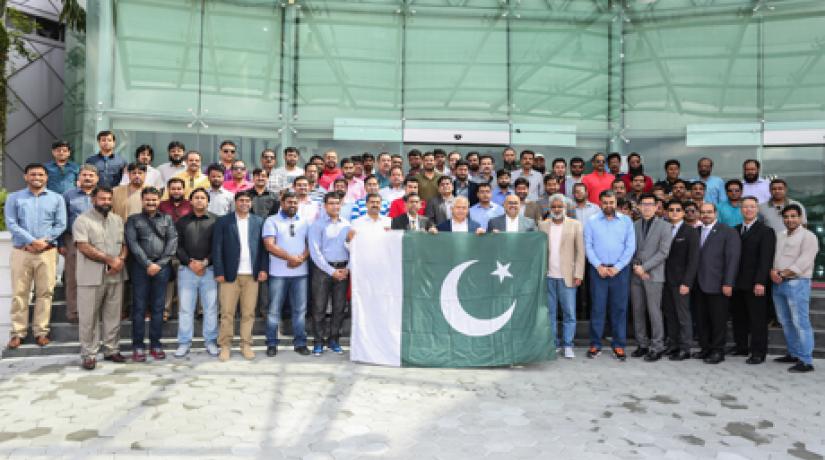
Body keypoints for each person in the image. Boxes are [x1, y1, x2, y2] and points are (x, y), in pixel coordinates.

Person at [4, 163, 67, 349]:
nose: (36, 177)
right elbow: (12, 224)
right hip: (22, 252)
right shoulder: (14, 198)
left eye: (40, 174)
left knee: (45, 293)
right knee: (20, 293)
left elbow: (61, 224)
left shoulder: (57, 199)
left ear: (46, 177)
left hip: (46, 253)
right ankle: (17, 333)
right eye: (32, 174)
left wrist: (44, 242)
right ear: (25, 176)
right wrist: (32, 241)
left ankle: (41, 332)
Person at [72, 185, 128, 369]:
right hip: (91, 276)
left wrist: (119, 260)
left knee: (113, 315)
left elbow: (125, 244)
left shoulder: (117, 220)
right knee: (89, 318)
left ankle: (111, 349)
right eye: (102, 199)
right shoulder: (82, 220)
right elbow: (83, 247)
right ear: (93, 199)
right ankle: (89, 354)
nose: (106, 202)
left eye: (109, 199)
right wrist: (110, 260)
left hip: (115, 275)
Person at [212, 191, 268, 361]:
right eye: (241, 200)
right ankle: (225, 345)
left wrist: (263, 269)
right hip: (230, 274)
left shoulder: (259, 221)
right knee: (227, 312)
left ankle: (246, 344)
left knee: (248, 312)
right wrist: (219, 271)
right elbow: (217, 248)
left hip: (251, 275)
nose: (244, 203)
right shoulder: (223, 221)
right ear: (235, 202)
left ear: (251, 203)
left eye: (247, 200)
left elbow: (264, 248)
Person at [125, 187, 177, 362]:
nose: (151, 203)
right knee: (139, 308)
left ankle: (156, 344)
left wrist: (160, 264)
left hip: (162, 268)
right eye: (148, 200)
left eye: (154, 200)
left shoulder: (167, 219)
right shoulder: (133, 220)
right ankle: (138, 346)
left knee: (158, 308)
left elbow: (172, 242)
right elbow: (132, 244)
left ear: (159, 200)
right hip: (141, 268)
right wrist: (147, 263)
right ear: (142, 200)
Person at [584, 190, 635, 361]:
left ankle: (619, 345)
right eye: (605, 202)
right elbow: (588, 246)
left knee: (619, 309)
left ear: (616, 202)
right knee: (598, 308)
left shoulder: (626, 221)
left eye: (611, 202)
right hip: (598, 271)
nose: (608, 206)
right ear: (600, 202)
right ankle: (595, 344)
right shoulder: (591, 222)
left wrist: (618, 267)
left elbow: (630, 247)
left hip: (619, 272)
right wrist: (598, 265)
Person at [771, 204, 819, 373]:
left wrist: (782, 274)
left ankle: (806, 360)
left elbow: (804, 262)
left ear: (800, 218)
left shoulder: (809, 237)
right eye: (786, 217)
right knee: (785, 321)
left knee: (801, 322)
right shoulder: (780, 235)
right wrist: (773, 272)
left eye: (793, 216)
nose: (789, 220)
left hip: (797, 283)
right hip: (778, 284)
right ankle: (793, 353)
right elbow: (775, 258)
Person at [263, 191, 312, 357]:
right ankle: (271, 343)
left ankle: (300, 343)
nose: (292, 205)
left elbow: (310, 244)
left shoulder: (305, 222)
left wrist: (301, 259)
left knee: (300, 310)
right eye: (289, 202)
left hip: (301, 273)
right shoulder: (271, 221)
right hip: (278, 273)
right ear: (282, 203)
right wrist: (290, 257)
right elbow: (269, 245)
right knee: (274, 310)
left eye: (295, 202)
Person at [692, 203, 740, 365]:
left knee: (718, 320)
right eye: (703, 212)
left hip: (719, 284)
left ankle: (718, 351)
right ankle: (705, 348)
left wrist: (728, 283)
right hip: (698, 284)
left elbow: (733, 260)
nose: (705, 215)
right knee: (701, 319)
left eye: (709, 212)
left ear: (715, 213)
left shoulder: (728, 231)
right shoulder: (696, 231)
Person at [730, 197, 776, 365]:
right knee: (739, 317)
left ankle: (758, 352)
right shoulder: (734, 230)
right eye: (745, 207)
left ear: (757, 209)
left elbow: (766, 260)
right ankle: (741, 347)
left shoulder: (766, 231)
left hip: (755, 283)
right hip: (736, 282)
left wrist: (760, 282)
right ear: (741, 209)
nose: (748, 209)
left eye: (751, 207)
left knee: (757, 320)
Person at [174, 188, 219, 358]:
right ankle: (184, 342)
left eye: (203, 198)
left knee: (210, 308)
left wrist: (206, 262)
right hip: (187, 270)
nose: (199, 200)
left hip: (209, 270)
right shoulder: (182, 222)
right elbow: (177, 246)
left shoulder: (216, 221)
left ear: (208, 201)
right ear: (190, 201)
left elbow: (219, 246)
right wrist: (190, 263)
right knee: (186, 309)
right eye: (196, 198)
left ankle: (210, 341)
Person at [538, 193, 584, 359]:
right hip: (548, 275)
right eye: (554, 207)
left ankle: (568, 344)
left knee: (569, 313)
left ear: (566, 208)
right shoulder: (542, 225)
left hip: (568, 276)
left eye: (560, 206)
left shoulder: (575, 225)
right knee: (550, 313)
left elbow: (580, 251)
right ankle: (553, 344)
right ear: (549, 209)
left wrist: (578, 274)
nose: (557, 209)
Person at [308, 192, 355, 356]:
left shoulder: (347, 225)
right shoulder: (317, 225)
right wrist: (331, 271)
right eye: (332, 203)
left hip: (342, 270)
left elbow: (354, 248)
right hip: (323, 270)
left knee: (339, 308)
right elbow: (315, 252)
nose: (335, 206)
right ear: (325, 206)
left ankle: (334, 340)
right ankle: (318, 342)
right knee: (319, 308)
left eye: (338, 203)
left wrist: (347, 268)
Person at [629, 194, 672, 362]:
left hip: (654, 274)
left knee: (654, 311)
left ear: (656, 207)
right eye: (643, 204)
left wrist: (644, 268)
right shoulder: (634, 225)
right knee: (638, 310)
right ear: (639, 207)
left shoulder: (664, 226)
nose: (646, 207)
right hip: (636, 273)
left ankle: (657, 346)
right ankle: (642, 344)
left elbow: (663, 252)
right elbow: (630, 248)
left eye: (650, 204)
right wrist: (636, 267)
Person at [662, 200, 699, 361]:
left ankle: (685, 348)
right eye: (671, 210)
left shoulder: (690, 232)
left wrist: (687, 282)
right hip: (664, 280)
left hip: (681, 282)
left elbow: (693, 260)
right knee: (670, 315)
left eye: (678, 210)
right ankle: (673, 345)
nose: (674, 212)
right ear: (666, 212)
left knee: (683, 316)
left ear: (684, 213)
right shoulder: (664, 230)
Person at [61, 164, 99, 323]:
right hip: (73, 239)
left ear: (97, 178)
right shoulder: (68, 195)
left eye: (91, 175)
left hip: (98, 240)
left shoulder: (102, 194)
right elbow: (62, 220)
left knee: (97, 277)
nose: (88, 178)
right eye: (84, 175)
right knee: (73, 277)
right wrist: (60, 243)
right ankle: (74, 312)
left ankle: (95, 312)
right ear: (79, 178)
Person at [158, 177, 192, 322]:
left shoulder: (190, 205)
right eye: (173, 188)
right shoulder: (162, 205)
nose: (176, 191)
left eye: (179, 188)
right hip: (167, 249)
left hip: (186, 248)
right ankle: (165, 311)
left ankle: (183, 311)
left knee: (184, 282)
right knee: (168, 281)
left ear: (184, 190)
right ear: (168, 190)